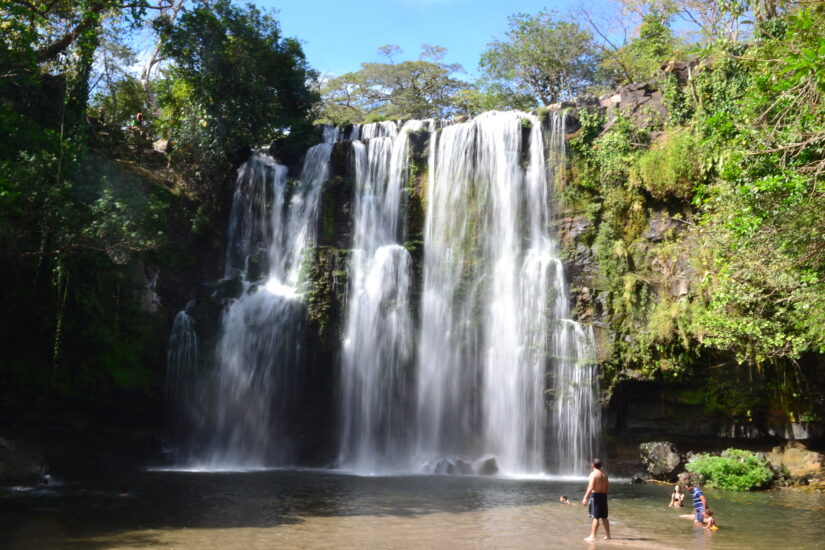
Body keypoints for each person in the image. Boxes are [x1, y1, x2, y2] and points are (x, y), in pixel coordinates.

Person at [582, 457, 611, 541]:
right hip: (603, 496)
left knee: (596, 517)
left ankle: (592, 536)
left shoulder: (593, 474)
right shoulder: (605, 474)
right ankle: (608, 535)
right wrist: (605, 496)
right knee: (604, 517)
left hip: (596, 496)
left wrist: (585, 498)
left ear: (593, 465)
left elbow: (591, 487)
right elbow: (607, 488)